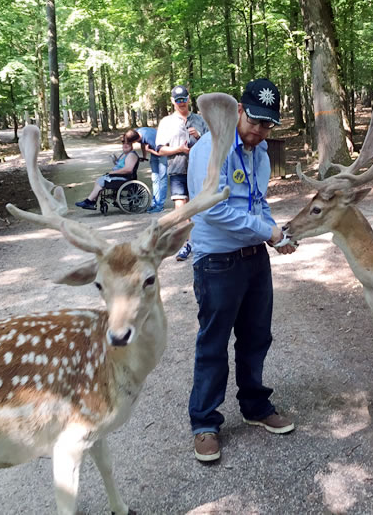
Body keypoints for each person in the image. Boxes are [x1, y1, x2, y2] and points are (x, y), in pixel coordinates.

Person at [187, 78, 297, 463]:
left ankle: (255, 405)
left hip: (254, 261)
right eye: (254, 120)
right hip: (217, 262)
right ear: (238, 111)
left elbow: (258, 203)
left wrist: (275, 235)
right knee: (213, 343)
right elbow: (211, 209)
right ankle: (204, 423)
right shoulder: (210, 149)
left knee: (256, 337)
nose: (259, 130)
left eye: (268, 124)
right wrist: (267, 230)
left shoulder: (261, 154)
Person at [156, 85, 209, 260]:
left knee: (198, 207)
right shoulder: (166, 122)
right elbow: (160, 150)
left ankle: (201, 241)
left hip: (198, 169)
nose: (181, 103)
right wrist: (178, 149)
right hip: (177, 168)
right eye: (178, 100)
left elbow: (212, 145)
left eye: (184, 99)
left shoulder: (200, 120)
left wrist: (200, 137)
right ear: (172, 101)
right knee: (180, 207)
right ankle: (186, 244)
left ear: (189, 98)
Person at [75, 138, 139, 210]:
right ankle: (92, 202)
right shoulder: (125, 154)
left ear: (132, 144)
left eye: (128, 143)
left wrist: (113, 172)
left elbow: (128, 170)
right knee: (98, 180)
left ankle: (88, 201)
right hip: (119, 176)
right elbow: (120, 165)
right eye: (124, 143)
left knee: (102, 181)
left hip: (125, 178)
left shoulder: (131, 155)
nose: (125, 145)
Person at [123, 127, 168, 213]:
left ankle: (160, 205)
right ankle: (154, 203)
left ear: (135, 140)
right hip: (153, 151)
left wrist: (149, 150)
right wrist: (144, 156)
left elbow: (161, 153)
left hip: (162, 150)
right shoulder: (137, 132)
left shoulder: (149, 137)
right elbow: (142, 144)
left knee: (162, 178)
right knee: (155, 178)